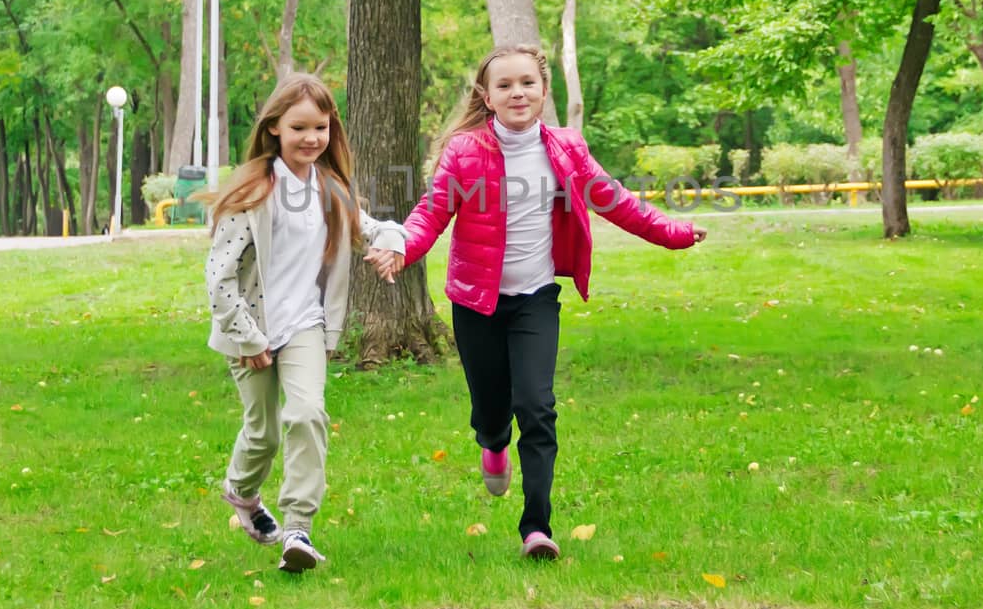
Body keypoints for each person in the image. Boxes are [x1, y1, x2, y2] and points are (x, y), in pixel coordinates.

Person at [395, 45, 706, 560]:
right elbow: (431, 212)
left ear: (543, 91)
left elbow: (616, 200)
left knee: (537, 407)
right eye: (504, 85)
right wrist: (401, 248)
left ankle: (536, 528)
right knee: (492, 411)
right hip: (477, 302)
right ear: (487, 96)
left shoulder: (566, 148)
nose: (517, 92)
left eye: (527, 84)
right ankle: (492, 444)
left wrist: (673, 233)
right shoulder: (464, 150)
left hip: (536, 298)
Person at [204, 73, 405, 573]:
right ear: (274, 128)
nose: (312, 138)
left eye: (321, 127)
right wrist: (248, 336)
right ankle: (242, 492)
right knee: (264, 433)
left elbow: (367, 228)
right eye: (299, 128)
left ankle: (298, 529)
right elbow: (220, 278)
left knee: (308, 414)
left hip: (305, 326)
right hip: (248, 326)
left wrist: (394, 240)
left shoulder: (330, 188)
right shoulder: (251, 191)